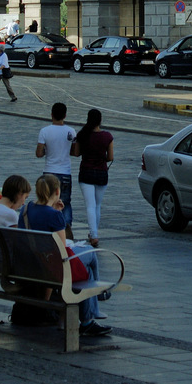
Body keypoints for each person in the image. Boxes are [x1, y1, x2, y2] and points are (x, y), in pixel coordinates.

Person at [18, 174, 110, 337]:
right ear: (58, 191)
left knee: (86, 264)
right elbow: (62, 249)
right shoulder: (54, 215)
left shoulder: (25, 210)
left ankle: (91, 314)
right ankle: (94, 306)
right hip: (53, 266)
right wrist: (57, 214)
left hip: (32, 264)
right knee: (91, 256)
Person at [36, 102, 77, 238]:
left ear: (51, 115)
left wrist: (47, 150)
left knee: (46, 201)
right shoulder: (71, 131)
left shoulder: (45, 131)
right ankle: (66, 231)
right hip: (65, 172)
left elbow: (39, 153)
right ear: (65, 115)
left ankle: (47, 228)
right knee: (65, 202)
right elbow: (75, 152)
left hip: (49, 171)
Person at [73, 109, 113, 247]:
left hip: (86, 172)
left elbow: (77, 153)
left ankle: (94, 235)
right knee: (97, 205)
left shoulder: (82, 135)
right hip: (102, 173)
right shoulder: (107, 136)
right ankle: (94, 233)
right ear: (100, 120)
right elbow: (110, 157)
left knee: (90, 205)